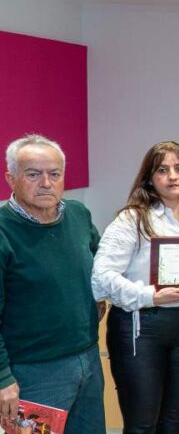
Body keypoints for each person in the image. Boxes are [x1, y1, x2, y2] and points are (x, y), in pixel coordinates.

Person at [91, 141, 179, 434]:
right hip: (141, 327)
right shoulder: (132, 219)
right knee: (142, 424)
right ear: (150, 179)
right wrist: (151, 296)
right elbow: (100, 278)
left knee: (173, 419)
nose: (173, 176)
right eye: (163, 170)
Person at [0, 135, 105, 432]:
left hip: (88, 362)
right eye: (33, 174)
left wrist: (101, 297)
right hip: (33, 376)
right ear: (11, 179)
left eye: (54, 174)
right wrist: (2, 379)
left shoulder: (78, 214)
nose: (46, 182)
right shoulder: (3, 231)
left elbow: (100, 266)